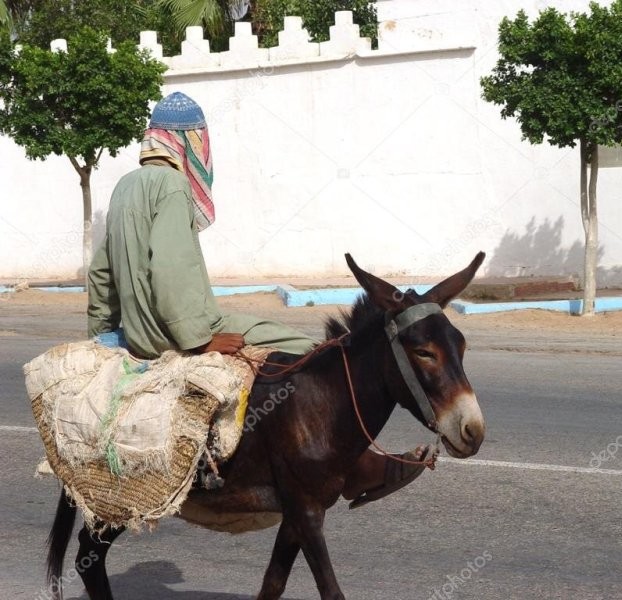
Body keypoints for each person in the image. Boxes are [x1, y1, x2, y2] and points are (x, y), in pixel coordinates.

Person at [87, 91, 431, 508]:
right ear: (191, 142)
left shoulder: (124, 187)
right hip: (178, 331)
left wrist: (104, 334)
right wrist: (201, 340)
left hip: (142, 333)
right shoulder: (172, 186)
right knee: (307, 351)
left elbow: (101, 271)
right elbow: (170, 271)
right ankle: (354, 468)